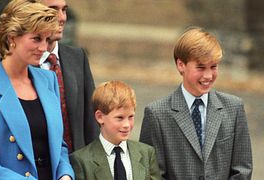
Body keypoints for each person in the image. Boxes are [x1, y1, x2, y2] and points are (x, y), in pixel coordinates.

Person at [0, 0, 74, 179]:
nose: (44, 48)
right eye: (36, 39)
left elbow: (58, 145)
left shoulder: (48, 79)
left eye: (47, 39)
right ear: (11, 38)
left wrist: (65, 175)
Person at [139, 27, 253, 179]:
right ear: (181, 65)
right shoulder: (156, 114)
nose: (208, 75)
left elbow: (242, 170)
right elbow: (152, 175)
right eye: (200, 67)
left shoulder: (234, 108)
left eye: (213, 67)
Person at [36, 0, 99, 152]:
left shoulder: (77, 57)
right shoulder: (22, 64)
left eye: (64, 10)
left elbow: (91, 123)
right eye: (53, 10)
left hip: (76, 167)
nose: (62, 18)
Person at [70, 80, 161, 180]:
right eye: (119, 118)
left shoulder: (147, 153)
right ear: (100, 117)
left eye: (131, 117)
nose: (126, 125)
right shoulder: (81, 160)